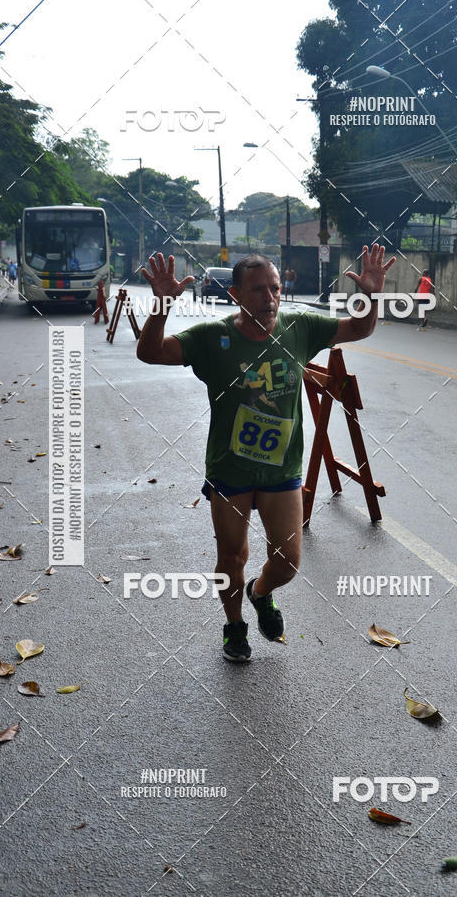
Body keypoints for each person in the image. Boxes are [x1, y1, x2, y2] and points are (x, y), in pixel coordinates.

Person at [137, 245, 395, 662]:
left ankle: (260, 593)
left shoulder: (299, 327)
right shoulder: (211, 338)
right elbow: (150, 352)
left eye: (275, 287)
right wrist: (162, 305)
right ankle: (234, 625)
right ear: (236, 294)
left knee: (288, 562)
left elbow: (360, 328)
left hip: (282, 470)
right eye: (258, 290)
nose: (270, 297)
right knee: (232, 555)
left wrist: (371, 294)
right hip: (230, 469)